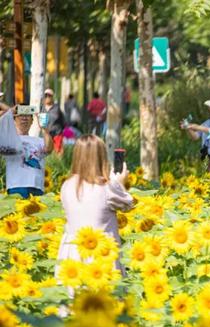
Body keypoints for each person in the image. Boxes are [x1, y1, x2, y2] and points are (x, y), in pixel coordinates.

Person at [55, 135, 134, 277]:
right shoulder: (107, 187)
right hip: (100, 253)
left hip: (73, 253)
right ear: (101, 157)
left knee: (76, 295)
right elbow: (128, 204)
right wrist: (120, 183)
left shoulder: (66, 185)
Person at [1, 105, 54, 198]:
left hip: (37, 187)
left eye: (28, 115)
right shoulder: (8, 139)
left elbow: (49, 149)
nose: (24, 118)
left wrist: (44, 128)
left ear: (32, 120)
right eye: (20, 115)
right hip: (16, 186)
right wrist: (10, 110)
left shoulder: (39, 140)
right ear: (14, 119)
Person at [41, 89, 66, 153]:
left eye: (49, 95)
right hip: (46, 135)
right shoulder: (42, 108)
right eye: (45, 95)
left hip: (57, 134)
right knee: (47, 153)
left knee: (58, 153)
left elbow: (63, 121)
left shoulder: (57, 108)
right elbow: (41, 123)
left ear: (52, 97)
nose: (47, 97)